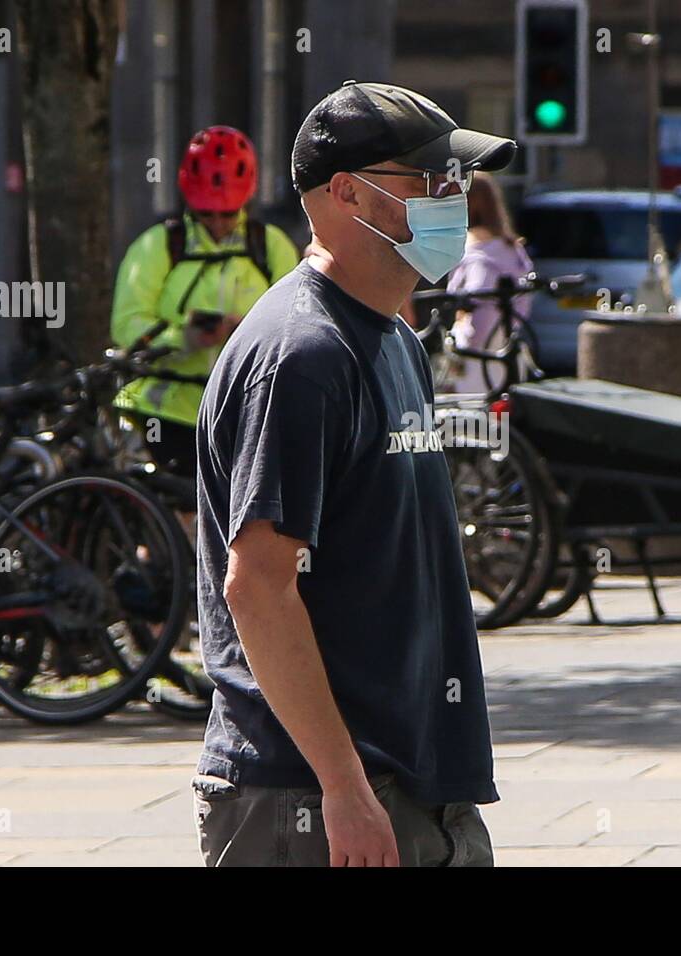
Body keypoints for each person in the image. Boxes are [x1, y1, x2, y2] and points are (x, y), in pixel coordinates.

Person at [191, 81, 517, 867]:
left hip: (410, 785)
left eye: (461, 181)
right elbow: (259, 586)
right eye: (433, 181)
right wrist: (343, 787)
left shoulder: (393, 339)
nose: (456, 199)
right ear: (348, 194)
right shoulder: (302, 357)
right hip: (313, 799)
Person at [110, 126, 300, 480]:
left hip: (247, 413)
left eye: (228, 214)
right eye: (205, 213)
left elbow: (297, 323)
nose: (216, 224)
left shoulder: (271, 246)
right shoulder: (157, 247)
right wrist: (182, 338)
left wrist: (247, 332)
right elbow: (126, 324)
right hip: (165, 415)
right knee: (175, 519)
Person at [444, 174, 534, 393]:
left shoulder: (477, 252)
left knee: (473, 425)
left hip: (478, 361)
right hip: (509, 350)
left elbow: (480, 305)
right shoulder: (512, 248)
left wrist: (464, 350)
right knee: (502, 424)